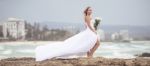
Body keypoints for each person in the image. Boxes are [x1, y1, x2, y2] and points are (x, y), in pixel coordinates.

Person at [35, 6, 100, 61]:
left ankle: (90, 54)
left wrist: (94, 28)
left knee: (92, 43)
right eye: (89, 10)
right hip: (90, 32)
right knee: (96, 43)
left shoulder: (88, 16)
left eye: (91, 10)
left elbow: (86, 26)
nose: (90, 11)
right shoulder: (87, 17)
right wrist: (93, 30)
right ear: (86, 11)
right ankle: (90, 55)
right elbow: (88, 25)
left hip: (89, 32)